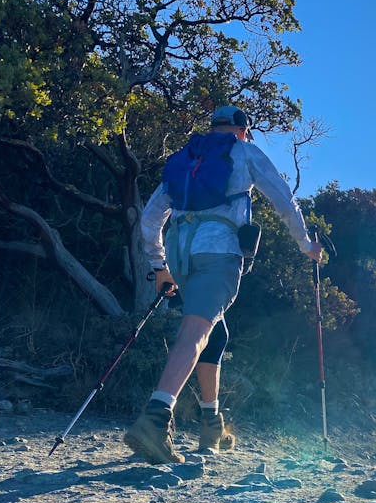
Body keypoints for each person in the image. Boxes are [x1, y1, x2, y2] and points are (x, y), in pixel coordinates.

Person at [124, 105, 322, 464]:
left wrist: (160, 266)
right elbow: (282, 198)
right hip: (218, 253)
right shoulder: (243, 152)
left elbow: (151, 218)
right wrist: (306, 245)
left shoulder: (187, 157)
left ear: (213, 127)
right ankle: (155, 419)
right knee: (196, 332)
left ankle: (211, 423)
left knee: (216, 334)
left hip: (181, 255)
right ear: (242, 131)